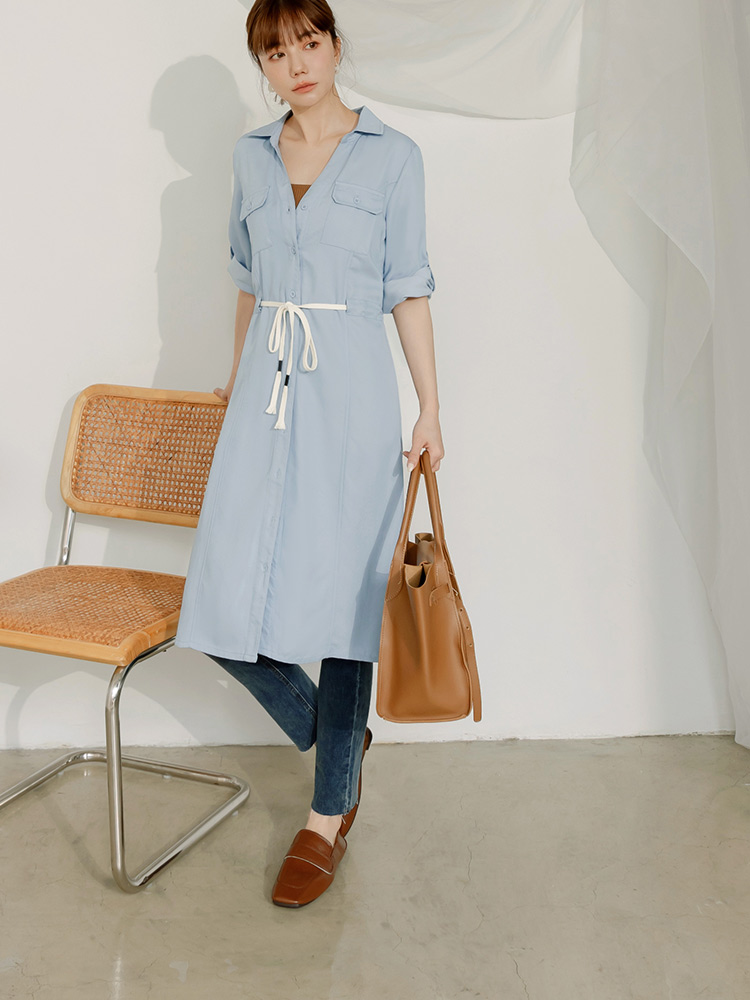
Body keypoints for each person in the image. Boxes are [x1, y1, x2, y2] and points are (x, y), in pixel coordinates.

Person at [174, 0, 443, 907]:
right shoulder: (251, 156)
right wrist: (236, 376)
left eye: (309, 43)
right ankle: (337, 740)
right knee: (219, 593)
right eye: (275, 51)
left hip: (353, 396)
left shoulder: (393, 157)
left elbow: (408, 287)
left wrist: (430, 409)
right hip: (265, 393)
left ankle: (327, 816)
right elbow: (249, 281)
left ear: (333, 46)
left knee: (348, 603)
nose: (295, 63)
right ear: (262, 63)